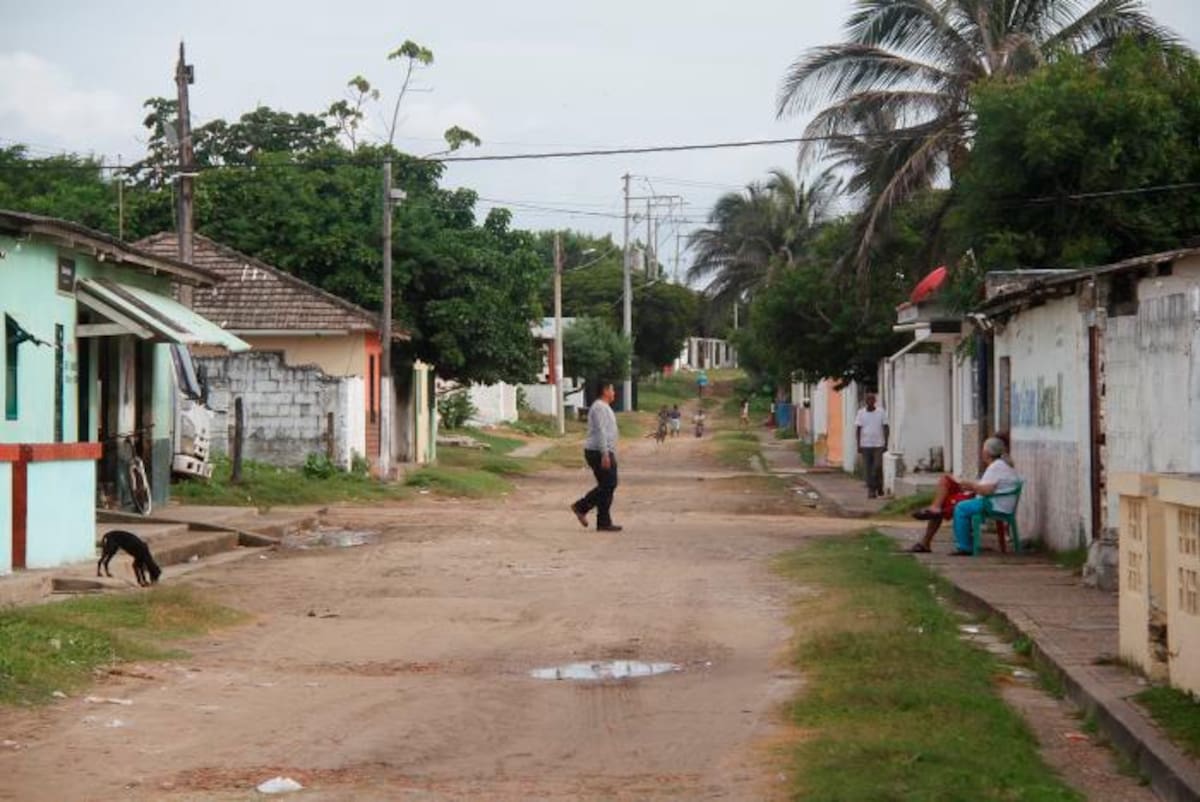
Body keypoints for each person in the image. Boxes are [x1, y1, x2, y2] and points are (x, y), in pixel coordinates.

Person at [909, 437, 1020, 555]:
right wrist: (971, 486)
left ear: (986, 452)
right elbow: (988, 487)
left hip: (993, 503)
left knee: (961, 508)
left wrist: (972, 486)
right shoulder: (999, 465)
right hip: (992, 500)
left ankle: (964, 546)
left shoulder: (997, 467)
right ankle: (936, 510)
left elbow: (987, 490)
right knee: (946, 483)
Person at [570, 381, 622, 532]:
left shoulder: (605, 407)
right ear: (605, 390)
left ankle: (604, 522)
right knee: (609, 484)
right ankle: (581, 506)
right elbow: (600, 431)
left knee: (607, 486)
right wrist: (605, 453)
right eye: (612, 389)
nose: (614, 393)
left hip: (604, 450)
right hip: (598, 451)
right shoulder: (599, 407)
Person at [854, 393, 888, 499]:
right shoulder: (861, 413)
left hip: (878, 444)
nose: (869, 402)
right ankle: (871, 490)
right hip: (865, 444)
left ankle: (879, 485)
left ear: (875, 401)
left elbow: (886, 427)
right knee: (868, 469)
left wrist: (886, 443)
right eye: (867, 400)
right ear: (865, 401)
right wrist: (858, 444)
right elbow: (858, 429)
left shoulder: (881, 412)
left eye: (871, 400)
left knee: (877, 467)